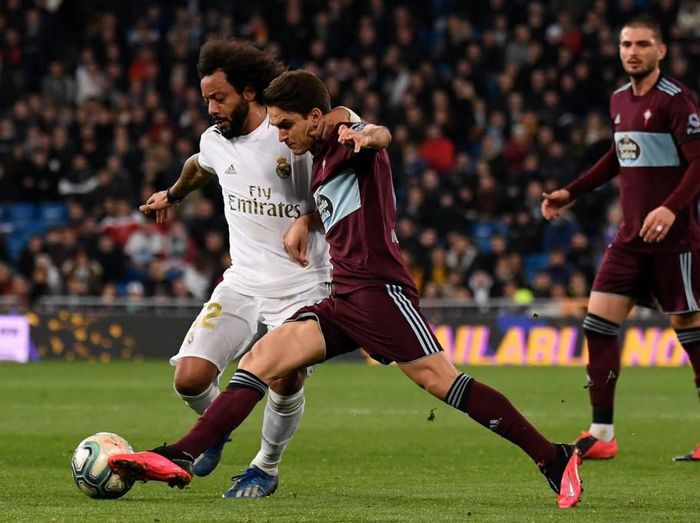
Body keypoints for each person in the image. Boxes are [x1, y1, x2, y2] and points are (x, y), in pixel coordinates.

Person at [110, 70, 584, 509]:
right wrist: (306, 217)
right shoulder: (314, 156)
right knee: (260, 361)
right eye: (274, 125)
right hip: (343, 297)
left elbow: (378, 135)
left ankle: (553, 456)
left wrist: (367, 133)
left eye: (286, 124)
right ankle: (182, 454)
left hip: (382, 294)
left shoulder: (344, 139)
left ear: (315, 117)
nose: (279, 135)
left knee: (444, 383)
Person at [138, 39, 360, 497]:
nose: (211, 108)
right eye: (205, 100)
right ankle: (217, 431)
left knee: (285, 375)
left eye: (219, 98)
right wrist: (174, 194)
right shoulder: (214, 141)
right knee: (190, 378)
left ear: (250, 92)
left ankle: (266, 466)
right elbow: (199, 166)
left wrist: (307, 217)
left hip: (304, 282)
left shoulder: (289, 133)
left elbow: (342, 153)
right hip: (242, 280)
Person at [541, 15, 700, 462]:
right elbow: (618, 156)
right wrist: (571, 192)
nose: (633, 51)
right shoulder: (618, 101)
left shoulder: (677, 101)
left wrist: (670, 208)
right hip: (630, 237)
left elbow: (698, 163)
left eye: (643, 44)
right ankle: (603, 433)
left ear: (661, 51)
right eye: (626, 44)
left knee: (692, 334)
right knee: (597, 324)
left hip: (675, 240)